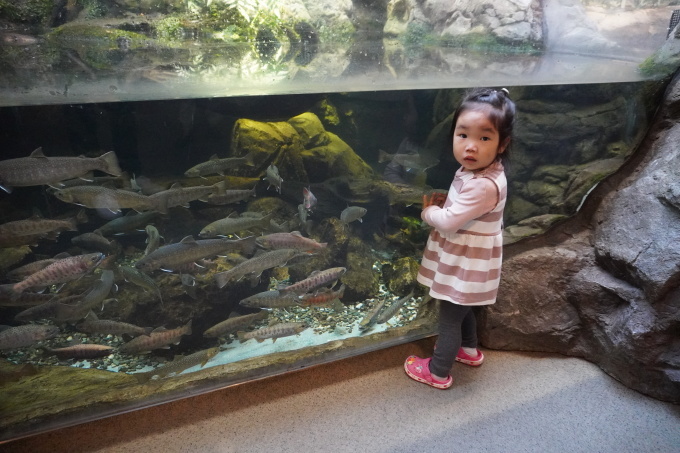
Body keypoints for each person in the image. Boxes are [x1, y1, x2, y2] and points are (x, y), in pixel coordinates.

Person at [404, 87, 515, 389]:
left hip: (465, 262)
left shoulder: (483, 184)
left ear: (503, 143)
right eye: (463, 135)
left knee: (449, 317)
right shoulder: (483, 170)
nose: (471, 146)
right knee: (461, 305)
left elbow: (450, 222)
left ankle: (438, 371)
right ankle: (468, 350)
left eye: (484, 138)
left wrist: (429, 212)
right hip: (469, 258)